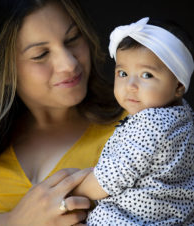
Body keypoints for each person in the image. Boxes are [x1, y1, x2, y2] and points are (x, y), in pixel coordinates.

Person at [0, 0, 124, 225]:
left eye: (73, 39)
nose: (69, 63)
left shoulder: (140, 126)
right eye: (41, 54)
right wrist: (14, 221)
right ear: (4, 68)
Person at [73, 17, 194, 225]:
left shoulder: (150, 124)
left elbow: (109, 180)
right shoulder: (183, 116)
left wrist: (71, 190)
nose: (130, 85)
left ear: (178, 86)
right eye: (122, 73)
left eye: (146, 75)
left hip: (130, 218)